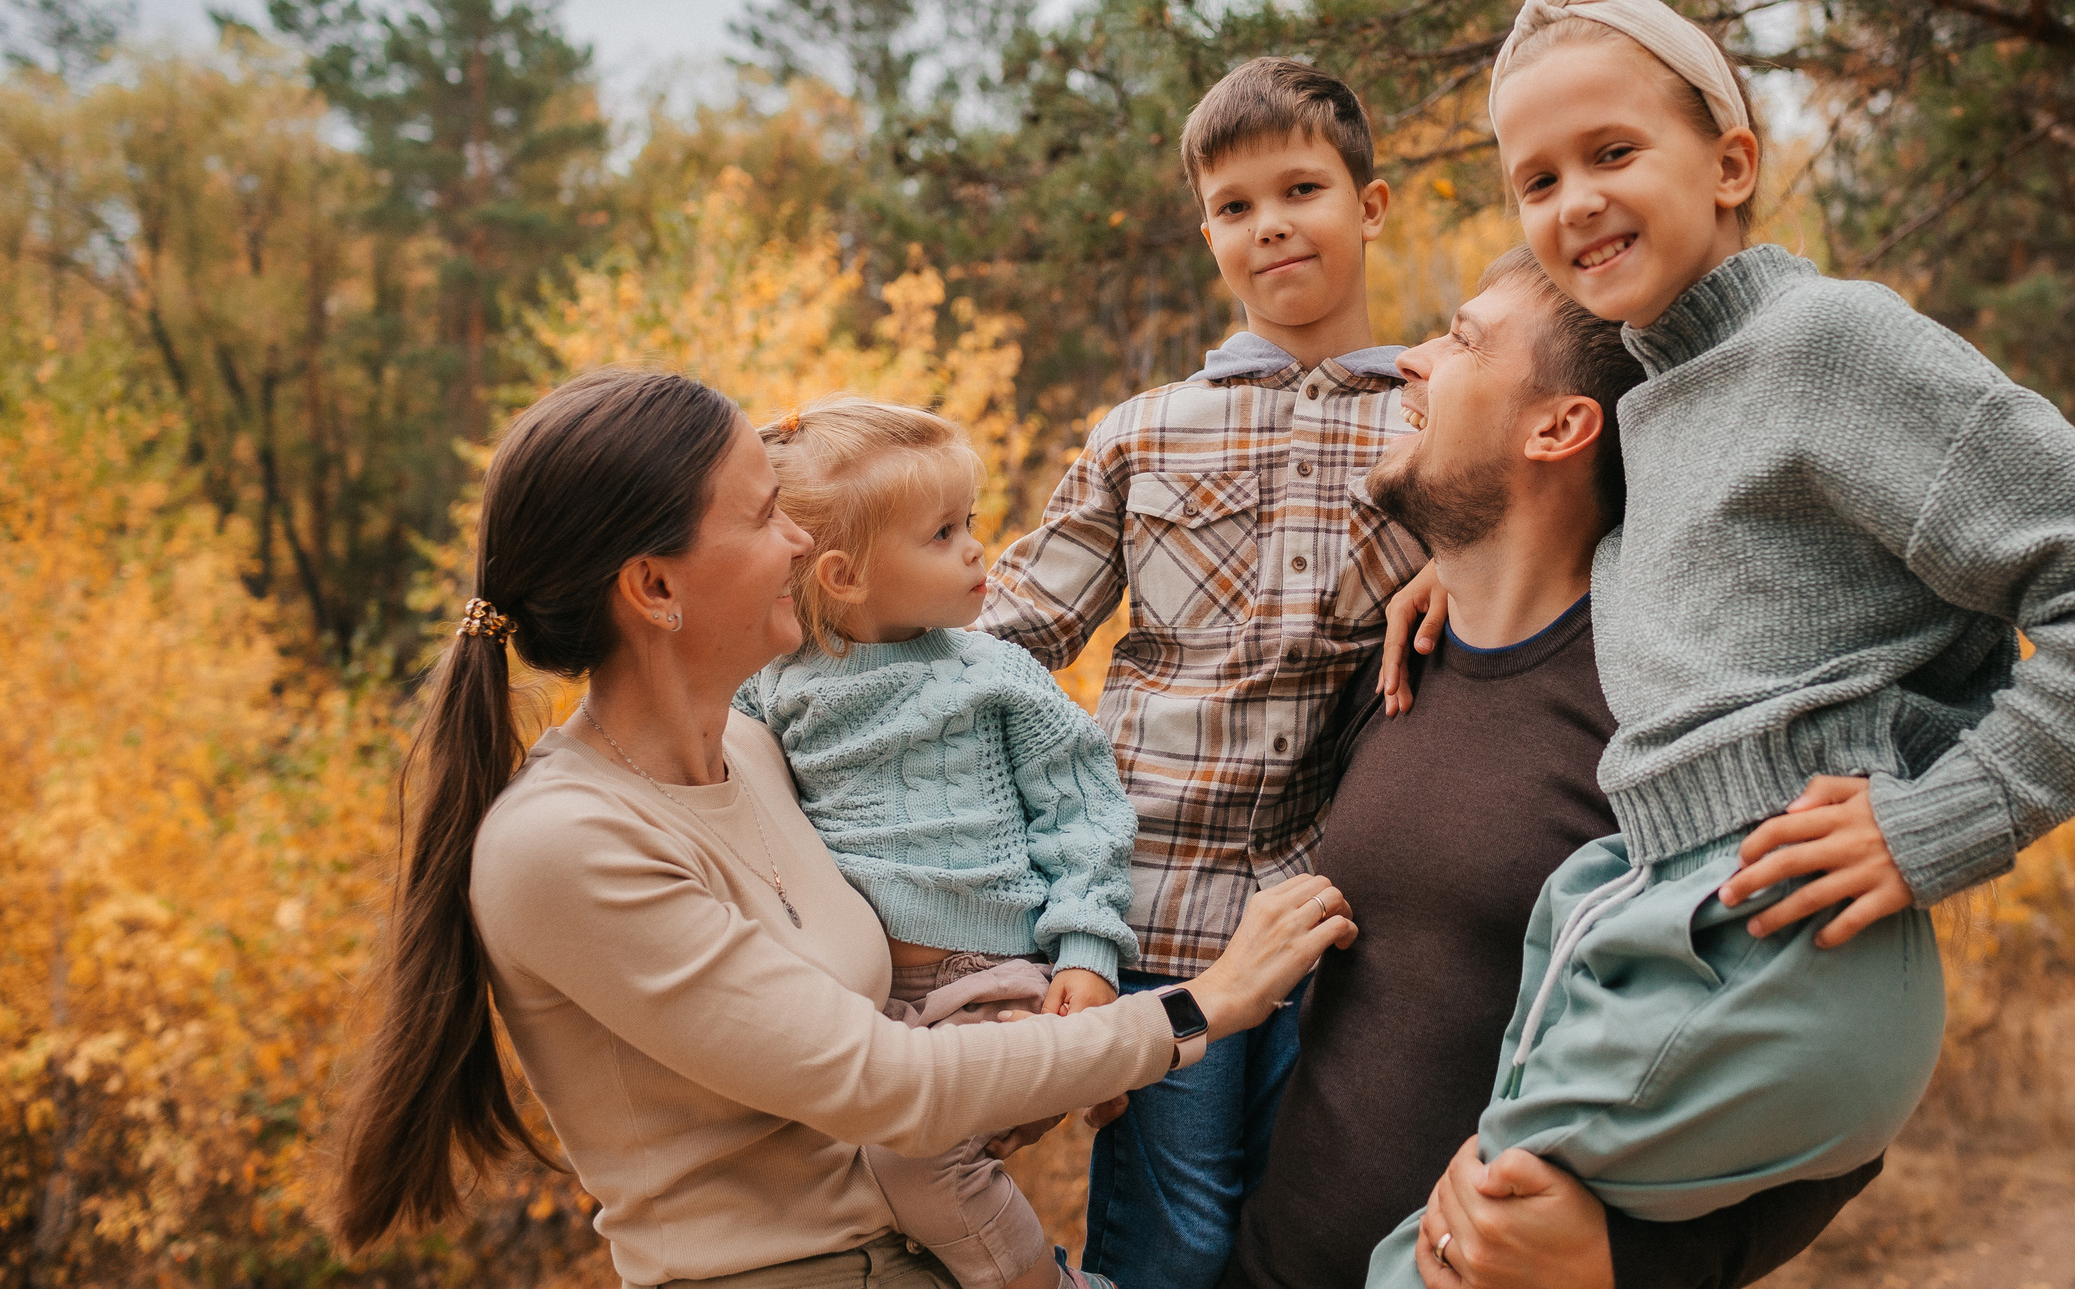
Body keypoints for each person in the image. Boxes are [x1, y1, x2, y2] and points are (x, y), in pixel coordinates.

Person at [1375, 0, 2075, 1285]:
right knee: (1453, 1251)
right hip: (1676, 920)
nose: (1574, 201)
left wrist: (1948, 815)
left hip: (1777, 932)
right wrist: (1459, 573)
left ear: (1729, 165)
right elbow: (1718, 589)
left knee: (1451, 1257)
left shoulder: (1826, 344)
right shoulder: (1659, 402)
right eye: (1536, 179)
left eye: (1612, 152)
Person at [328, 368, 1358, 1289]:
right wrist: (1200, 1006)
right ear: (654, 587)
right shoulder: (562, 843)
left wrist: (1033, 1035)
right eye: (766, 515)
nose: (800, 541)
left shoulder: (759, 752)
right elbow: (886, 1085)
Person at [1224, 248, 1883, 1289]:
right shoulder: (1392, 659)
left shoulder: (1671, 725)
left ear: (1559, 427)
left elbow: (1836, 1083)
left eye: (1463, 339)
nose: (1410, 358)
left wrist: (1623, 1262)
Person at [979, 58, 1427, 1289]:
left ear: (1370, 206)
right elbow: (1010, 638)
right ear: (1208, 236)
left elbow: (1525, 567)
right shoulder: (1143, 431)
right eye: (1234, 206)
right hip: (1151, 915)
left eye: (1301, 190)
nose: (1269, 223)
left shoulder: (1433, 423)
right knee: (1171, 1243)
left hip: (1335, 920)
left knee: (1309, 1237)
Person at [734, 396, 1143, 1289]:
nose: (975, 549)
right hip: (863, 1004)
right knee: (854, 1181)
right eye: (943, 533)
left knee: (918, 1162)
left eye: (971, 522)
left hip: (989, 977)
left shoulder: (992, 672)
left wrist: (1088, 953)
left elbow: (1084, 811)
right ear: (842, 575)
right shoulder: (771, 686)